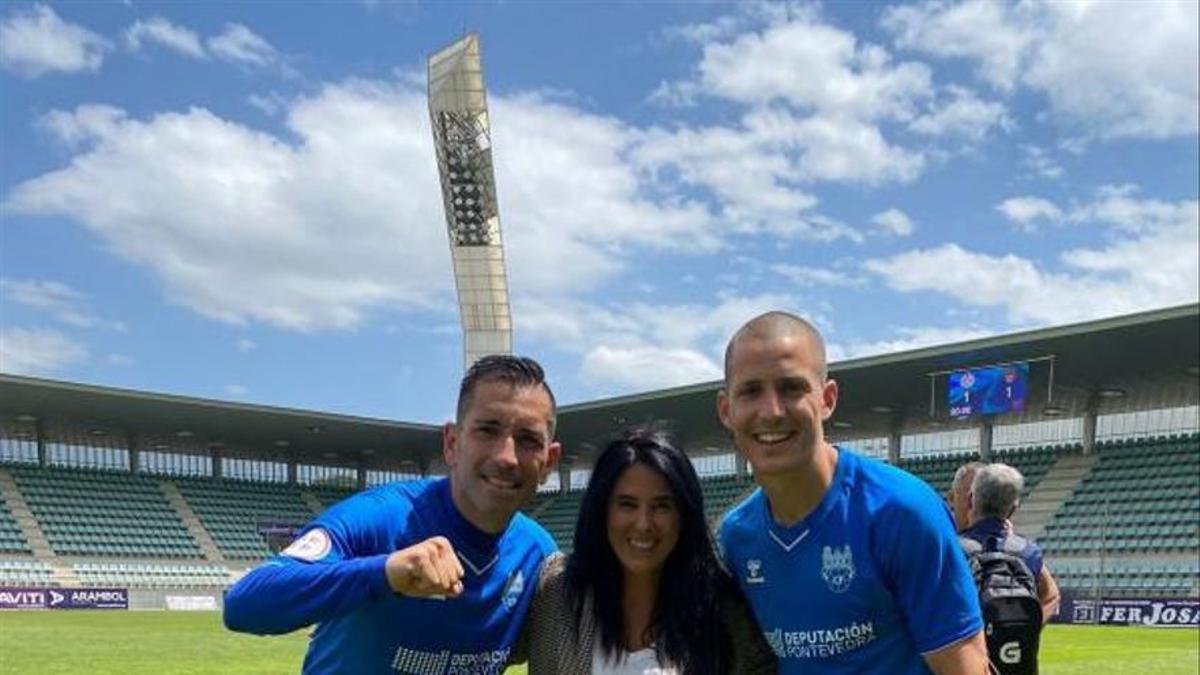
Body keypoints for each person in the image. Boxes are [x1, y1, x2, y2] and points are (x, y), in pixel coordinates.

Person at [223, 355, 562, 673]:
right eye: (487, 430)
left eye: (528, 440)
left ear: (549, 462)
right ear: (452, 443)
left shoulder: (538, 555)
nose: (506, 457)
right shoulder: (381, 518)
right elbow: (243, 604)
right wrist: (385, 573)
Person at [715, 311, 988, 674]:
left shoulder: (902, 511)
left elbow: (966, 667)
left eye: (791, 388)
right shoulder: (737, 536)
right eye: (751, 391)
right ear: (726, 410)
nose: (772, 411)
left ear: (827, 399)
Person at [522, 427, 776, 675]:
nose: (643, 524)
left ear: (684, 515)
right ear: (601, 511)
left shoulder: (725, 613)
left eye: (662, 506)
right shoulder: (558, 594)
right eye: (627, 504)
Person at [961, 462, 1061, 624]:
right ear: (1013, 509)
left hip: (966, 638)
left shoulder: (954, 549)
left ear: (970, 500)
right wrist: (1028, 631)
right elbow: (1051, 595)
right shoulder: (1028, 552)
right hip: (1012, 639)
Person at [949, 461, 986, 532]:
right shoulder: (938, 535)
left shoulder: (1006, 537)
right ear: (951, 498)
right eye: (971, 499)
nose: (978, 509)